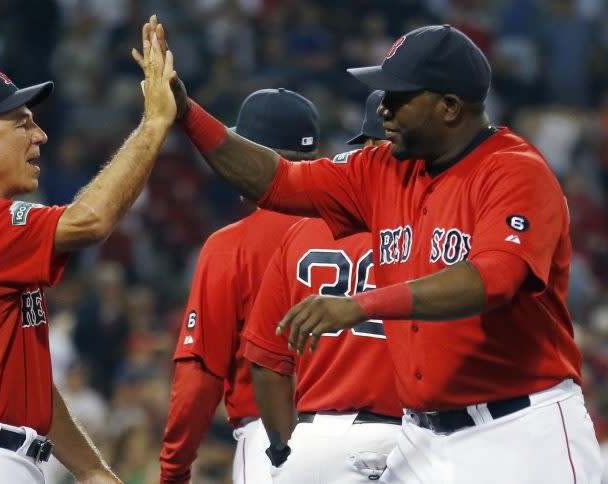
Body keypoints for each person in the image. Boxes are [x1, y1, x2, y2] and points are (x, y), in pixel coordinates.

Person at [147, 18, 602, 483]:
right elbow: (278, 181)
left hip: (521, 432)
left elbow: (493, 278)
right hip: (420, 438)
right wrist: (186, 114)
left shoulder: (515, 172)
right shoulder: (383, 170)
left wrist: (359, 305)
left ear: (448, 107)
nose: (383, 109)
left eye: (399, 97)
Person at [0, 17, 176, 484]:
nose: (40, 135)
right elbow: (91, 220)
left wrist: (91, 469)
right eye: (22, 124)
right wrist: (152, 126)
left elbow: (26, 387)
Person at [158, 87, 319, 484]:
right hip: (378, 435)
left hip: (272, 442)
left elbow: (199, 378)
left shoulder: (232, 245)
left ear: (252, 156)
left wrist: (173, 470)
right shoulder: (365, 226)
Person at [243, 90, 403, 483]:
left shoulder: (302, 232)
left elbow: (266, 362)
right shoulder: (428, 227)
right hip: (409, 435)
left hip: (317, 440)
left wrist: (284, 449)